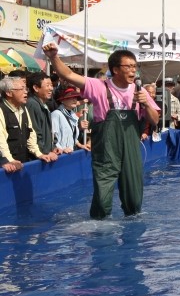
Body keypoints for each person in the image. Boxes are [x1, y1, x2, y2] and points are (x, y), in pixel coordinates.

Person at [42, 43, 160, 219]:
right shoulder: (98, 86)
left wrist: (145, 104)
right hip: (106, 149)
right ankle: (99, 225)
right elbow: (68, 75)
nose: (133, 71)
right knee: (103, 198)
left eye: (134, 66)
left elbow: (155, 120)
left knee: (134, 199)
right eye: (128, 66)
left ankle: (132, 225)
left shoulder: (140, 91)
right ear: (115, 69)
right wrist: (53, 57)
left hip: (131, 149)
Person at [0, 76, 57, 173]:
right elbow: (1, 140)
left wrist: (39, 154)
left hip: (22, 163)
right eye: (21, 89)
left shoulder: (23, 108)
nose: (26, 92)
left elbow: (31, 134)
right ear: (9, 93)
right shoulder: (2, 110)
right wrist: (9, 160)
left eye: (25, 88)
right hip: (7, 167)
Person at [25, 71, 59, 160]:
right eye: (47, 85)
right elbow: (35, 132)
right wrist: (46, 152)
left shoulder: (43, 104)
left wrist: (53, 147)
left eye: (51, 85)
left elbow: (49, 131)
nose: (51, 88)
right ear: (36, 88)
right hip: (39, 156)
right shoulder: (32, 104)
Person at [51, 86, 89, 153]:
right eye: (70, 98)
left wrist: (80, 145)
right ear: (62, 100)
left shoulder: (73, 115)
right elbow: (52, 137)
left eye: (75, 98)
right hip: (60, 154)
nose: (74, 100)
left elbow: (72, 136)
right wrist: (61, 149)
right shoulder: (56, 114)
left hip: (71, 152)